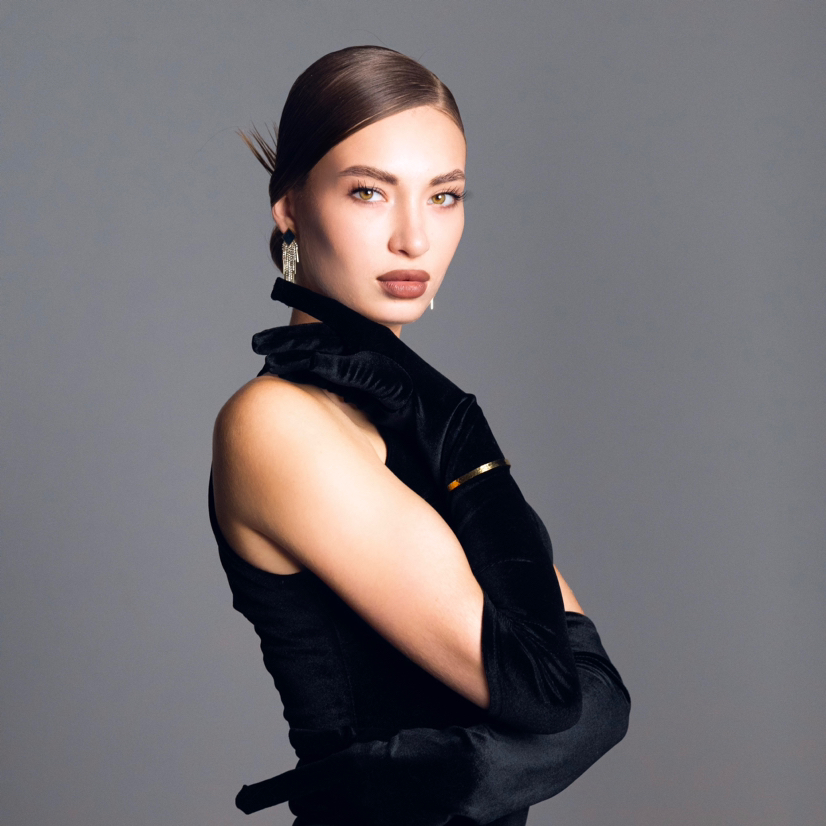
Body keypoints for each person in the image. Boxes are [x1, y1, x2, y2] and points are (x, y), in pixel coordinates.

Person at [210, 45, 630, 826]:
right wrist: (451, 414)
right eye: (369, 192)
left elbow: (602, 701)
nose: (414, 238)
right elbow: (548, 694)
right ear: (290, 206)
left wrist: (433, 407)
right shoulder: (277, 424)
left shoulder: (407, 415)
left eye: (443, 196)